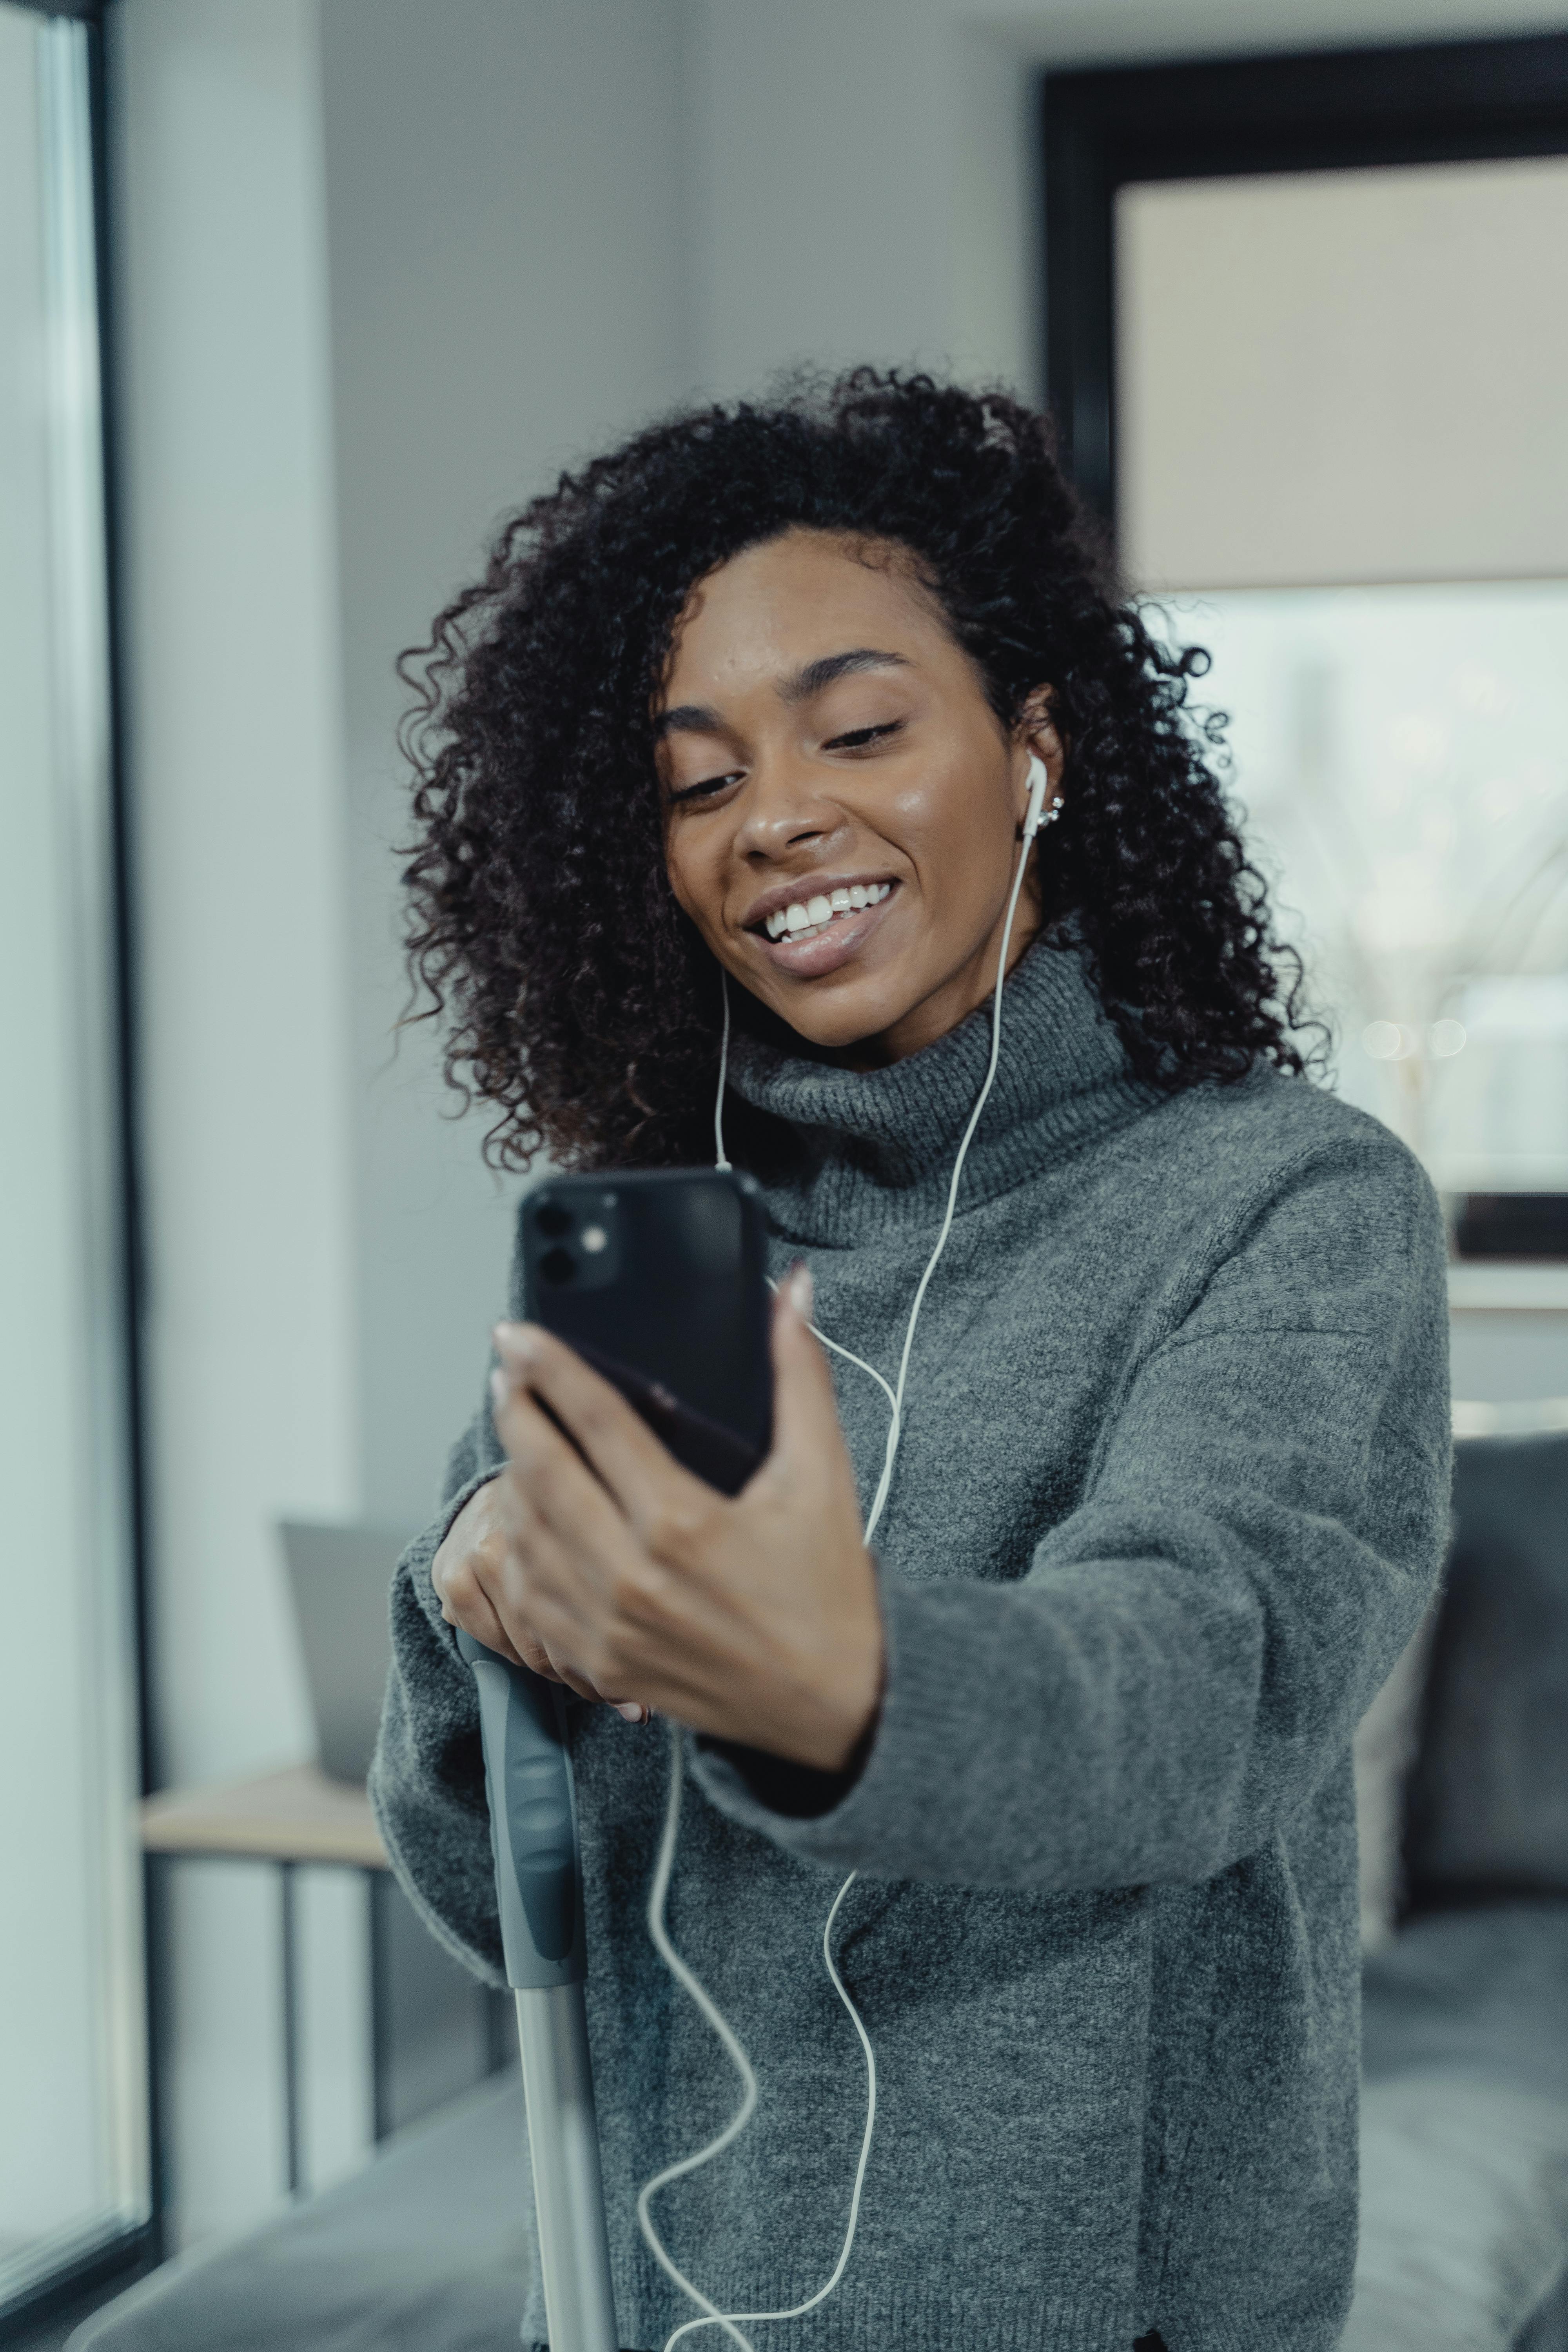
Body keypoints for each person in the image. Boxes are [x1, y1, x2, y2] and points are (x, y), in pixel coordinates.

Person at [371, 371, 1451, 2352]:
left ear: (1034, 745)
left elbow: (1200, 1688)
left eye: (859, 729)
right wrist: (469, 1611)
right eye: (697, 783)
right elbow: (513, 1912)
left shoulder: (1283, 1200)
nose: (779, 818)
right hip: (649, 2312)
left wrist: (827, 1687)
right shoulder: (655, 1250)